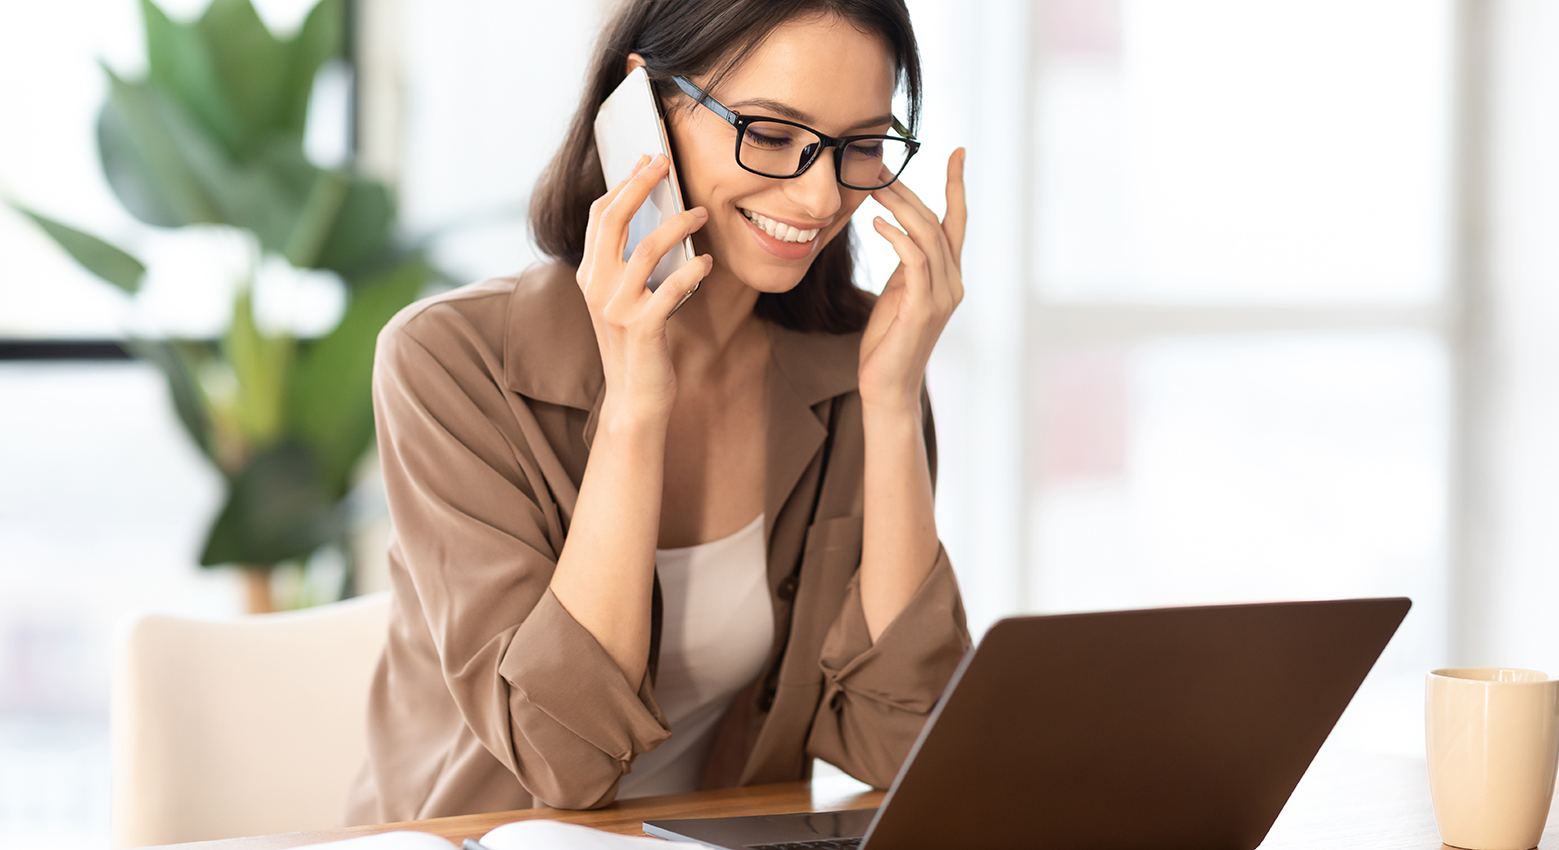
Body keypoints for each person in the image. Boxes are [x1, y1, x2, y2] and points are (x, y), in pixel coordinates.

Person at [345, 0, 971, 825]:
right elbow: (562, 761)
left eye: (859, 147)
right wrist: (637, 405)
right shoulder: (450, 360)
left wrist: (889, 406)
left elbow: (902, 745)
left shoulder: (859, 361)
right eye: (772, 134)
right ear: (640, 108)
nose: (821, 196)